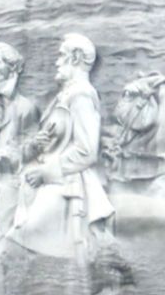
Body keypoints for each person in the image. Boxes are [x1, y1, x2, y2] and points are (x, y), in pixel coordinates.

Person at [11, 33, 114, 259]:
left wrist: (46, 173)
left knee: (27, 233)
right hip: (46, 178)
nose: (57, 61)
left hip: (68, 183)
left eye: (61, 55)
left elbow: (86, 151)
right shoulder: (64, 96)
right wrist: (36, 145)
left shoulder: (82, 96)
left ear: (76, 58)